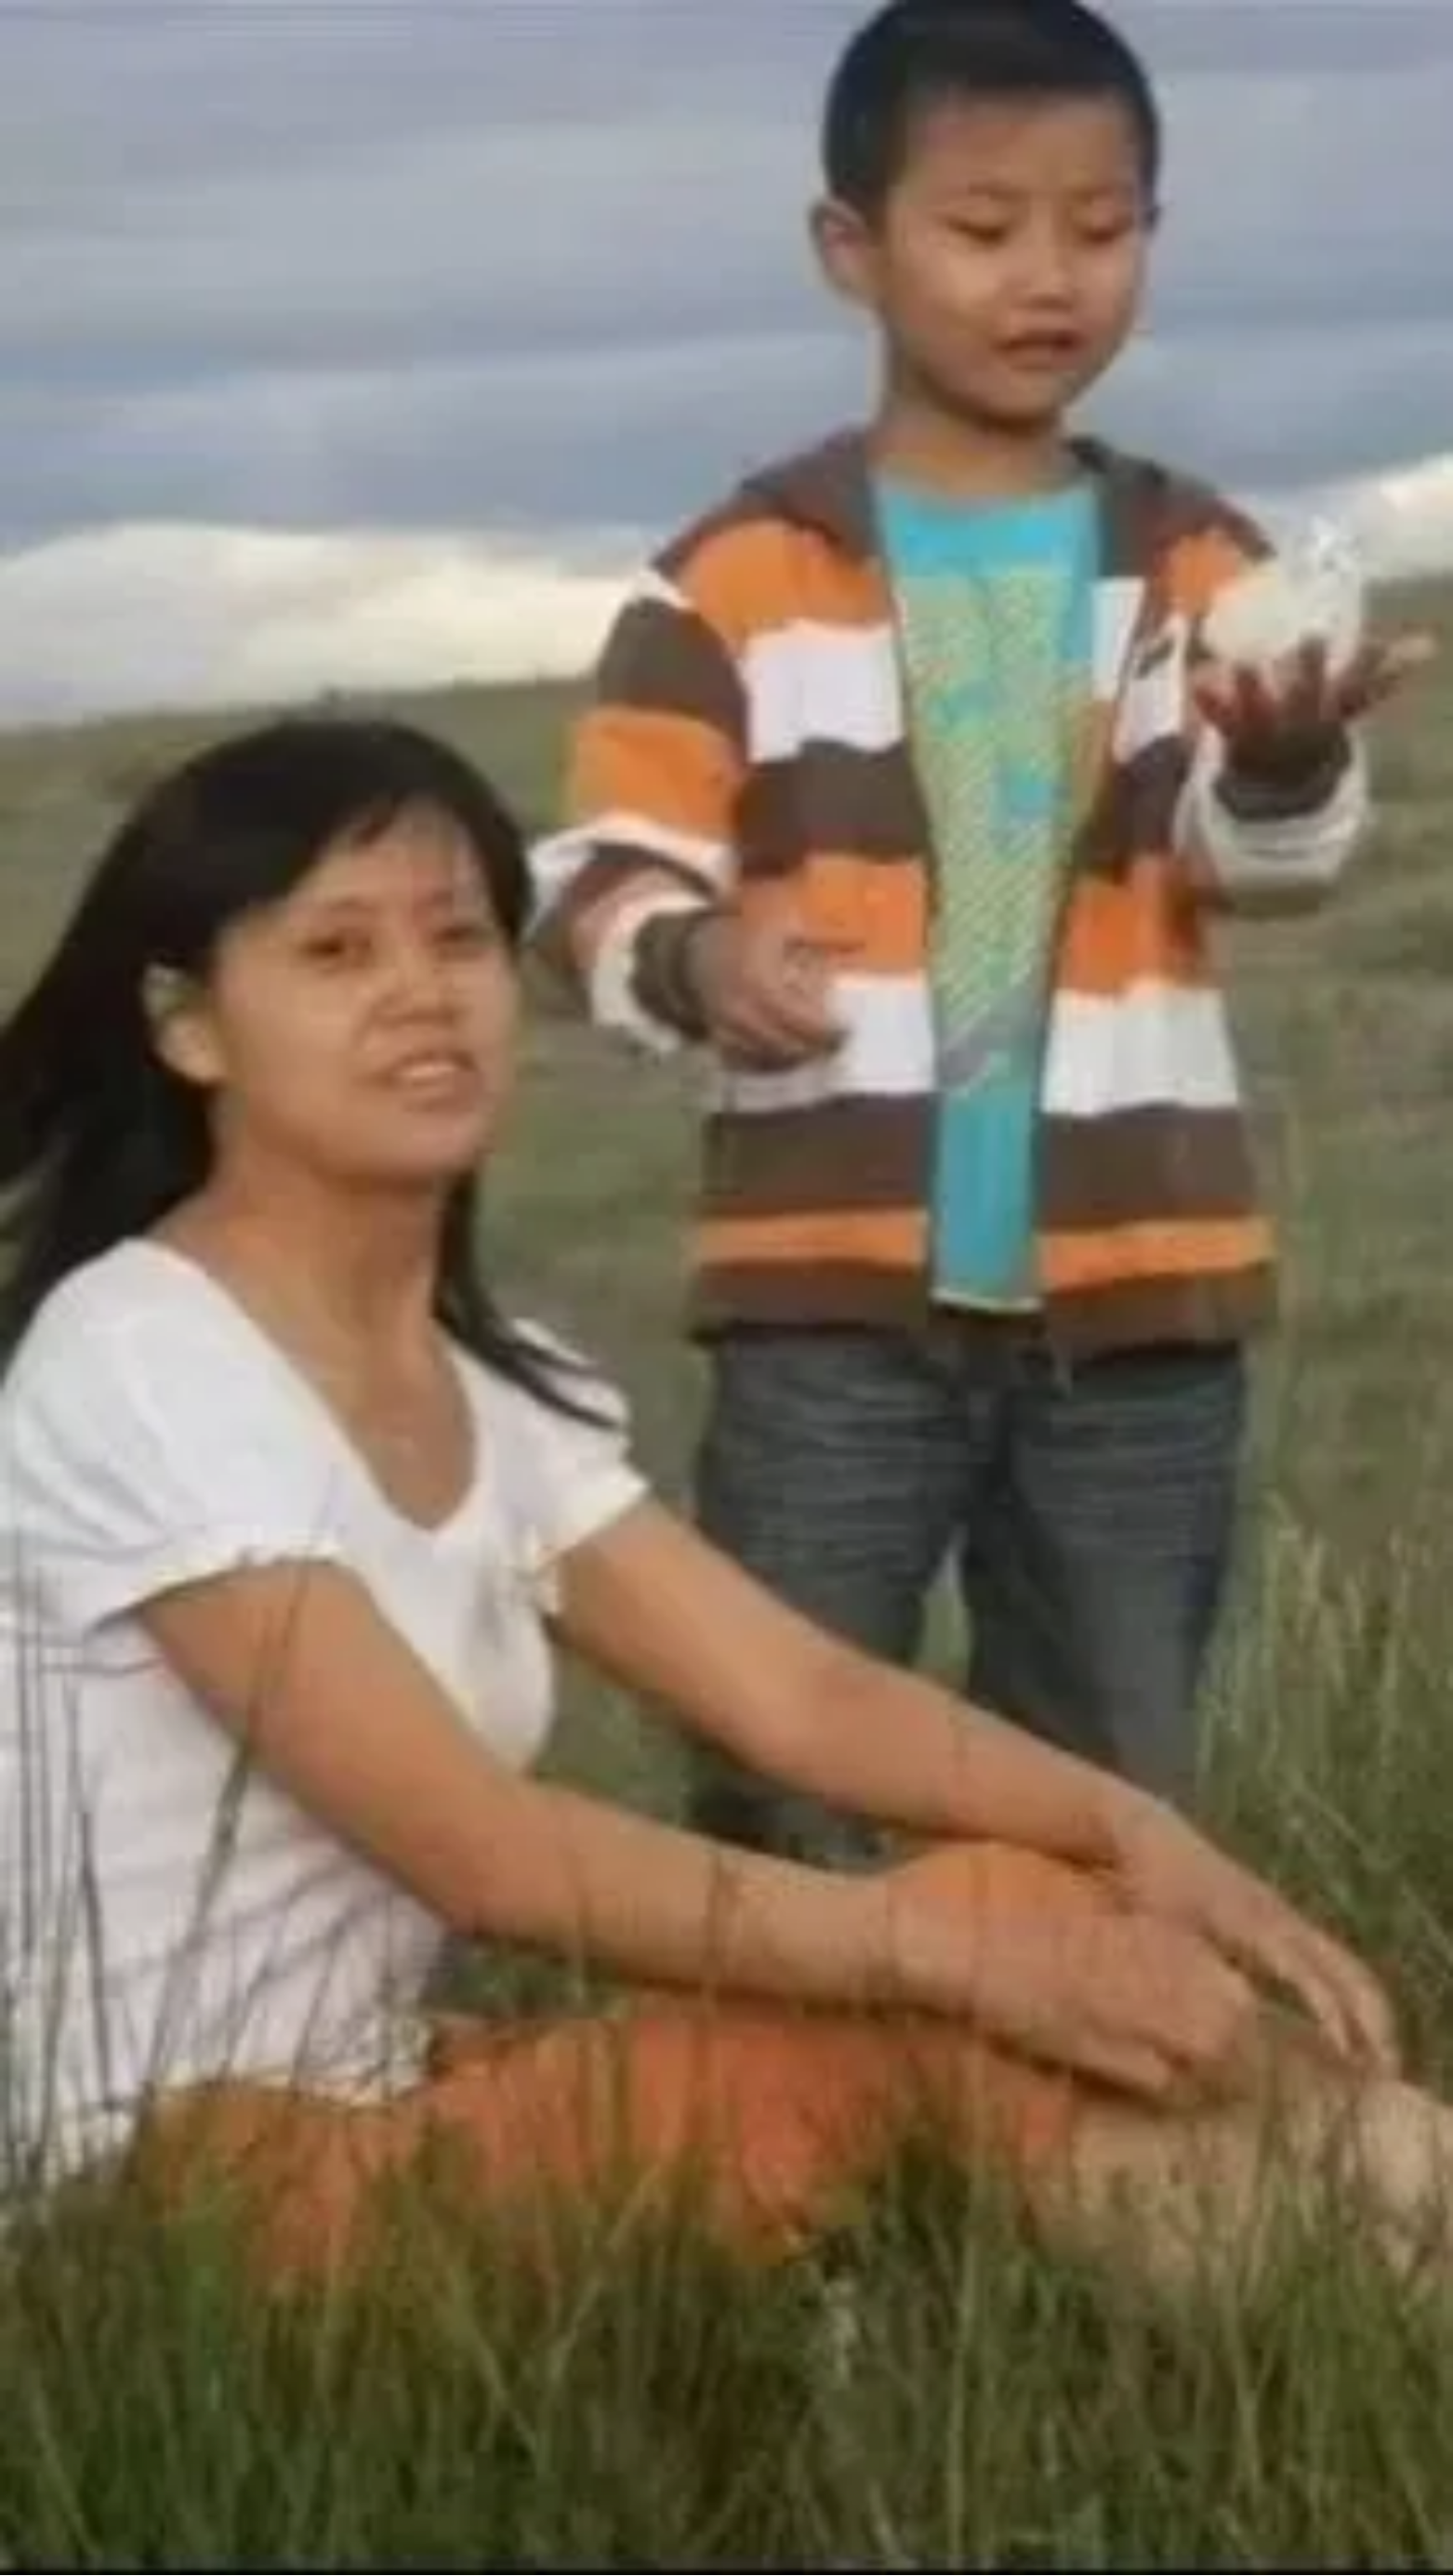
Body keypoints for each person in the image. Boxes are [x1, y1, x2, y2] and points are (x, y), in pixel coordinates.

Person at [1, 714, 1451, 2300]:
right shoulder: (144, 1355)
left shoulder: (494, 1385)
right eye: (336, 950)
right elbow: (483, 1854)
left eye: (460, 938)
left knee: (1022, 1896)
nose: (421, 991)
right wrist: (960, 1955)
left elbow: (802, 1695)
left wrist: (1124, 1828)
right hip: (170, 2192)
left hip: (390, 2087)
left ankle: (1373, 2272)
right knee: (943, 1993)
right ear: (188, 1026)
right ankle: (1375, 2272)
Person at [528, 0, 1434, 1861]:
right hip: (825, 1314)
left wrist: (1283, 766)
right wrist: (695, 958)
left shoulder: (1197, 563)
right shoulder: (734, 579)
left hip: (1143, 1302)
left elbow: (1259, 862)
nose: (1048, 277)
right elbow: (595, 873)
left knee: (1110, 1785)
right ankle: (799, 2052)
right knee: (785, 1767)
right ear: (848, 247)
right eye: (983, 225)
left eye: (1100, 228)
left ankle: (1088, 2052)